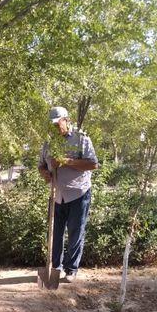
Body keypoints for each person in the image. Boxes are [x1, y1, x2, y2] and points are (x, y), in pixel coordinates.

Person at [38, 106, 98, 282]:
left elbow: (93, 164)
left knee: (75, 233)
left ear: (66, 120)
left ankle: (71, 270)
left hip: (78, 193)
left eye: (57, 124)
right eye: (52, 125)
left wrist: (65, 161)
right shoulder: (48, 143)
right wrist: (45, 173)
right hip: (56, 195)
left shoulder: (81, 139)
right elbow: (41, 165)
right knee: (55, 233)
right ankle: (54, 267)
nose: (55, 128)